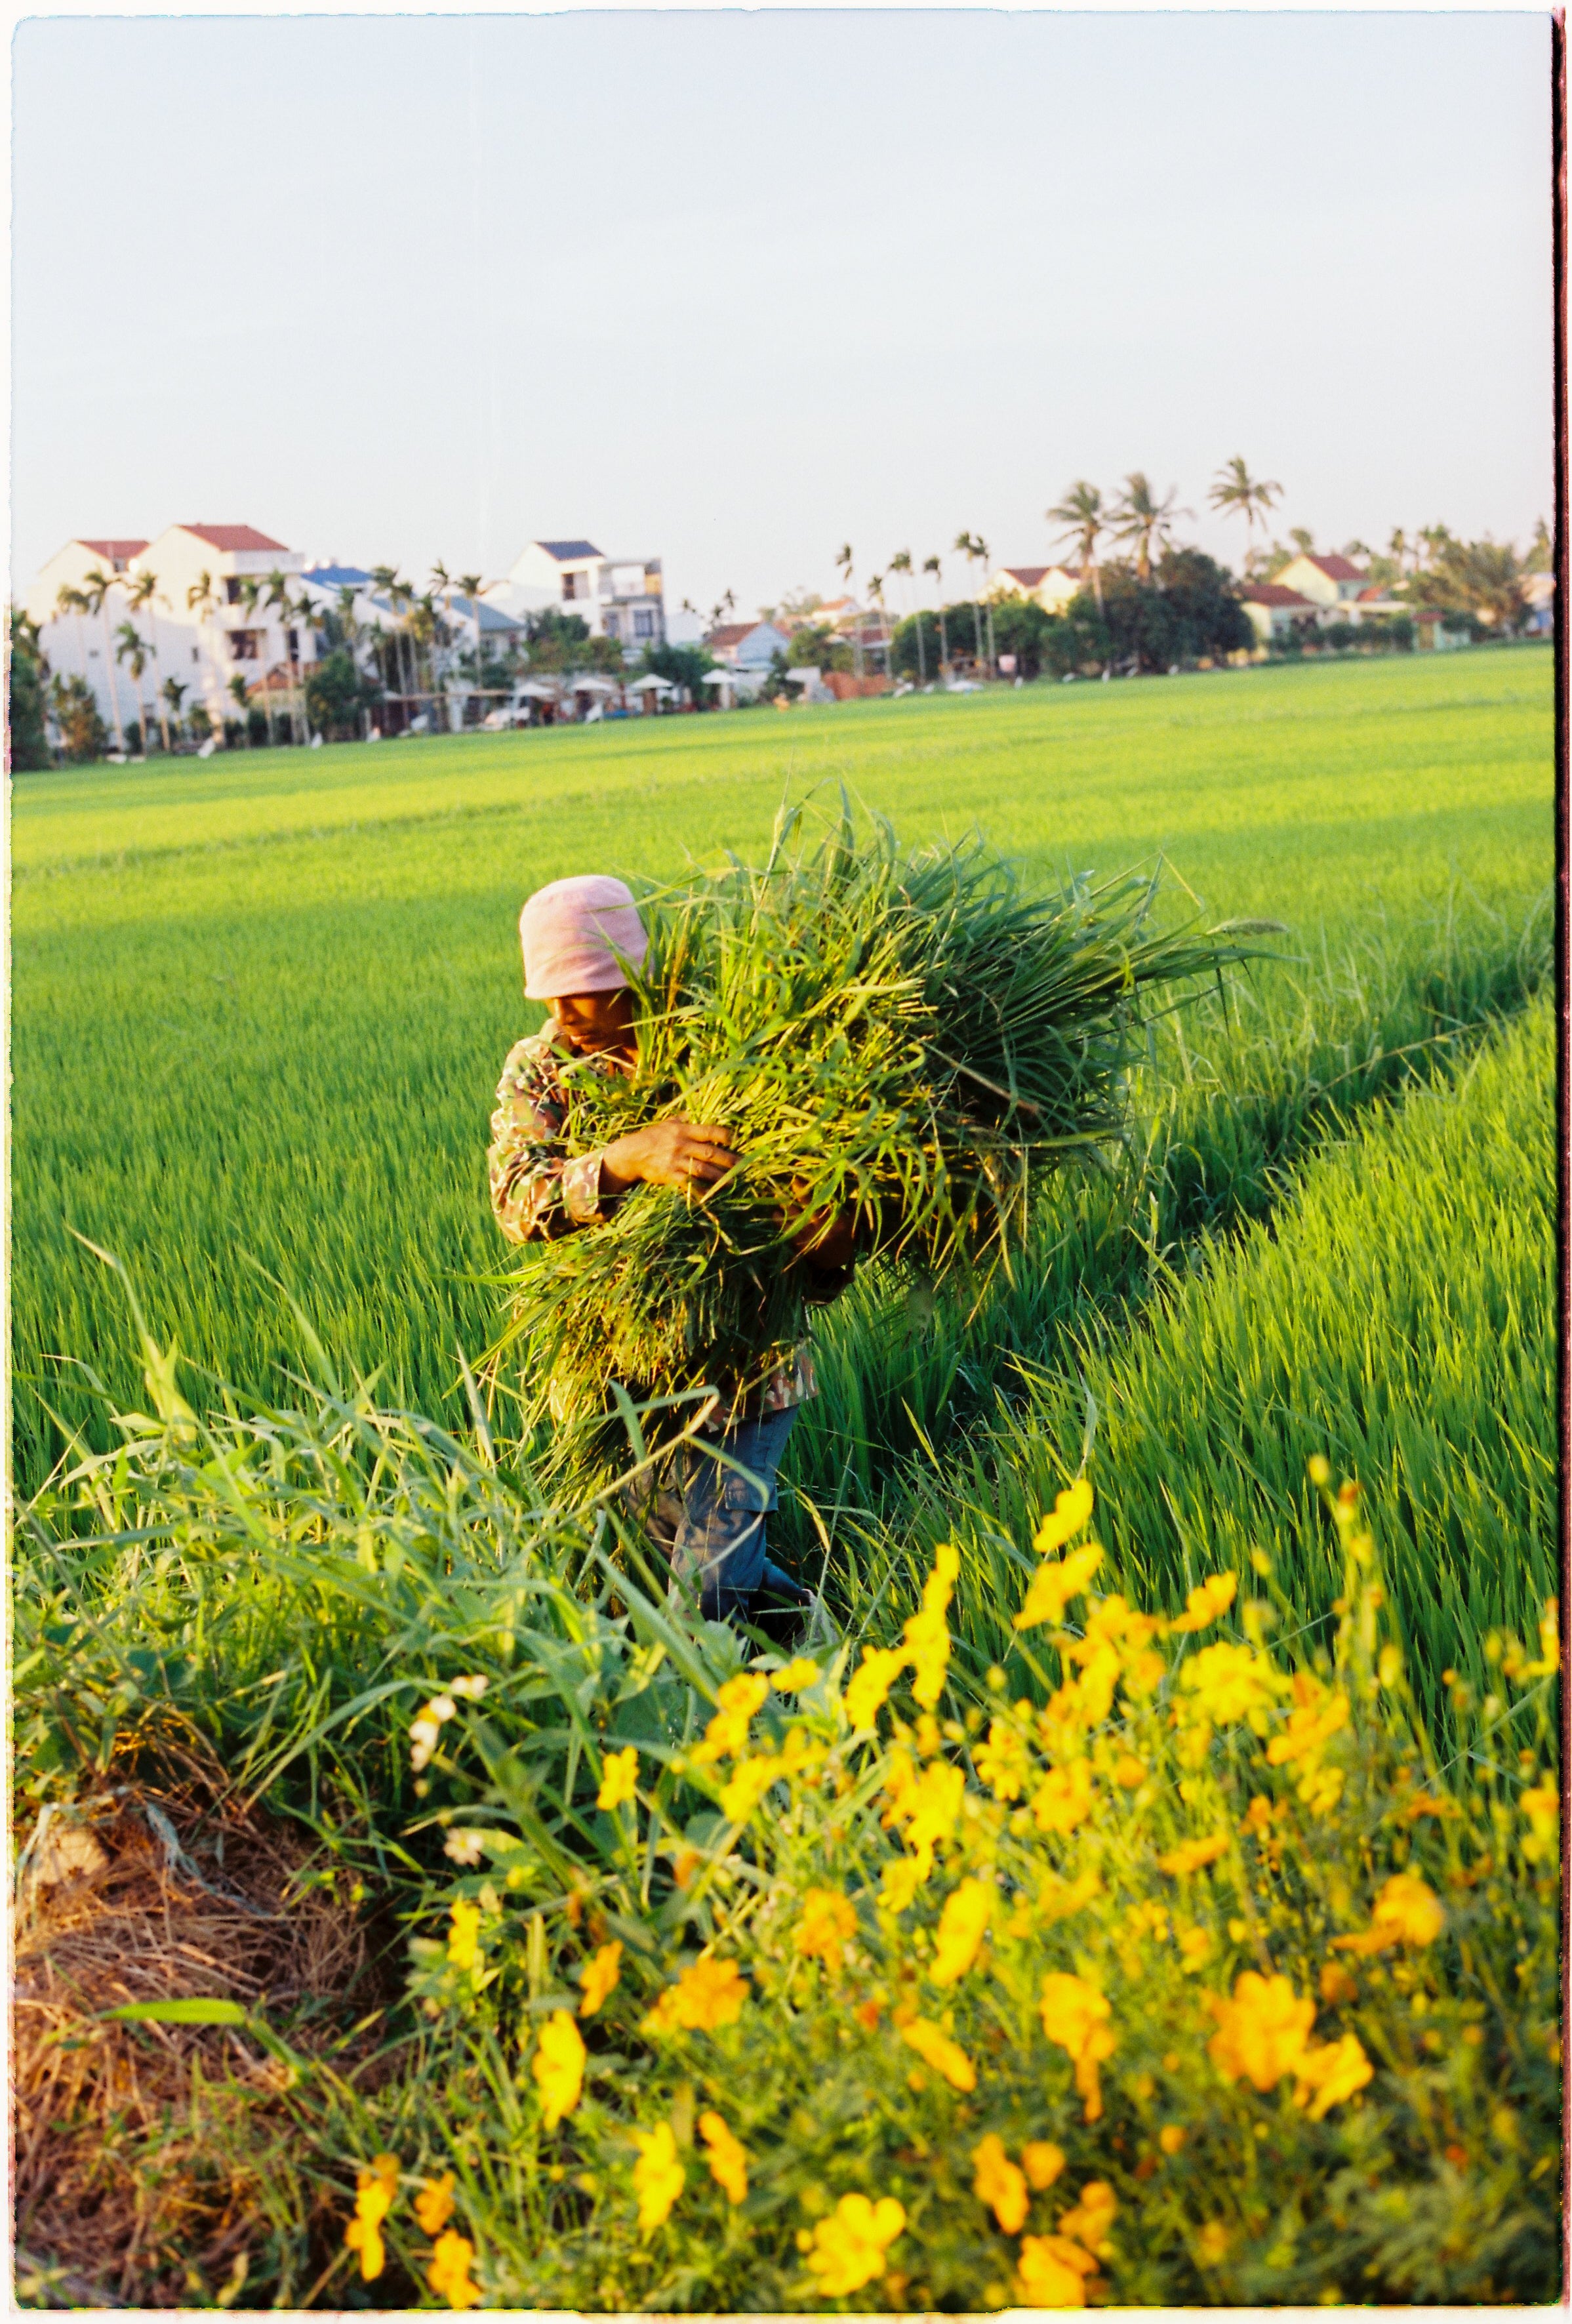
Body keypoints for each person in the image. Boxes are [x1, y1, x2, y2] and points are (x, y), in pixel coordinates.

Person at [488, 873, 857, 1627]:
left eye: (585, 989)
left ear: (635, 970)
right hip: (622, 1368)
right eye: (548, 995)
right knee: (668, 1547)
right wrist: (628, 1158)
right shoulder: (543, 1069)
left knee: (708, 1579)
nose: (564, 1013)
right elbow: (516, 1201)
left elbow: (818, 1213)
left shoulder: (729, 1048)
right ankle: (818, 1630)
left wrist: (820, 1234)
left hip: (749, 1359)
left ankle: (713, 1704)